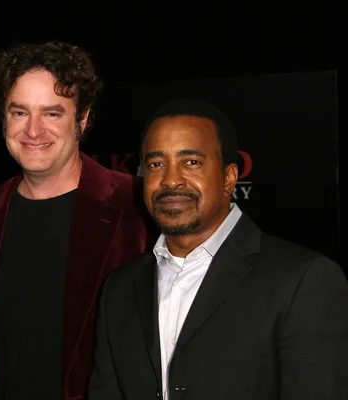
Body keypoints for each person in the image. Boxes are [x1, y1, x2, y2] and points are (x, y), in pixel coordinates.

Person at [89, 98, 348, 400]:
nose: (171, 179)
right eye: (156, 164)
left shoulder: (303, 281)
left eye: (191, 162)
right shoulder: (119, 289)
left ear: (229, 178)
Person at [0, 41, 155, 400]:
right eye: (19, 112)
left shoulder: (133, 205)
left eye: (52, 113)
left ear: (82, 119)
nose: (34, 131)